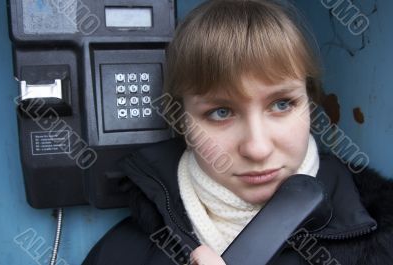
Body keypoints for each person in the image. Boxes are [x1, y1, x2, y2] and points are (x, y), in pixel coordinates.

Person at [82, 0, 393, 264]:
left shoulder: (381, 234)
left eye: (282, 104)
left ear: (309, 104)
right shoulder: (122, 253)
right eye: (221, 112)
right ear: (182, 122)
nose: (257, 149)